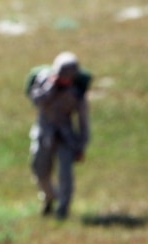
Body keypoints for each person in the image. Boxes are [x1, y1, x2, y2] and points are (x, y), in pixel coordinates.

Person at [27, 51, 92, 220]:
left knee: (66, 174)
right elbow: (36, 101)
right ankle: (49, 198)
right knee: (40, 171)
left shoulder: (78, 92)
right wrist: (50, 87)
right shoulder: (43, 80)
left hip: (66, 135)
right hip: (44, 132)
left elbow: (84, 122)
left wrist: (81, 146)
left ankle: (63, 209)